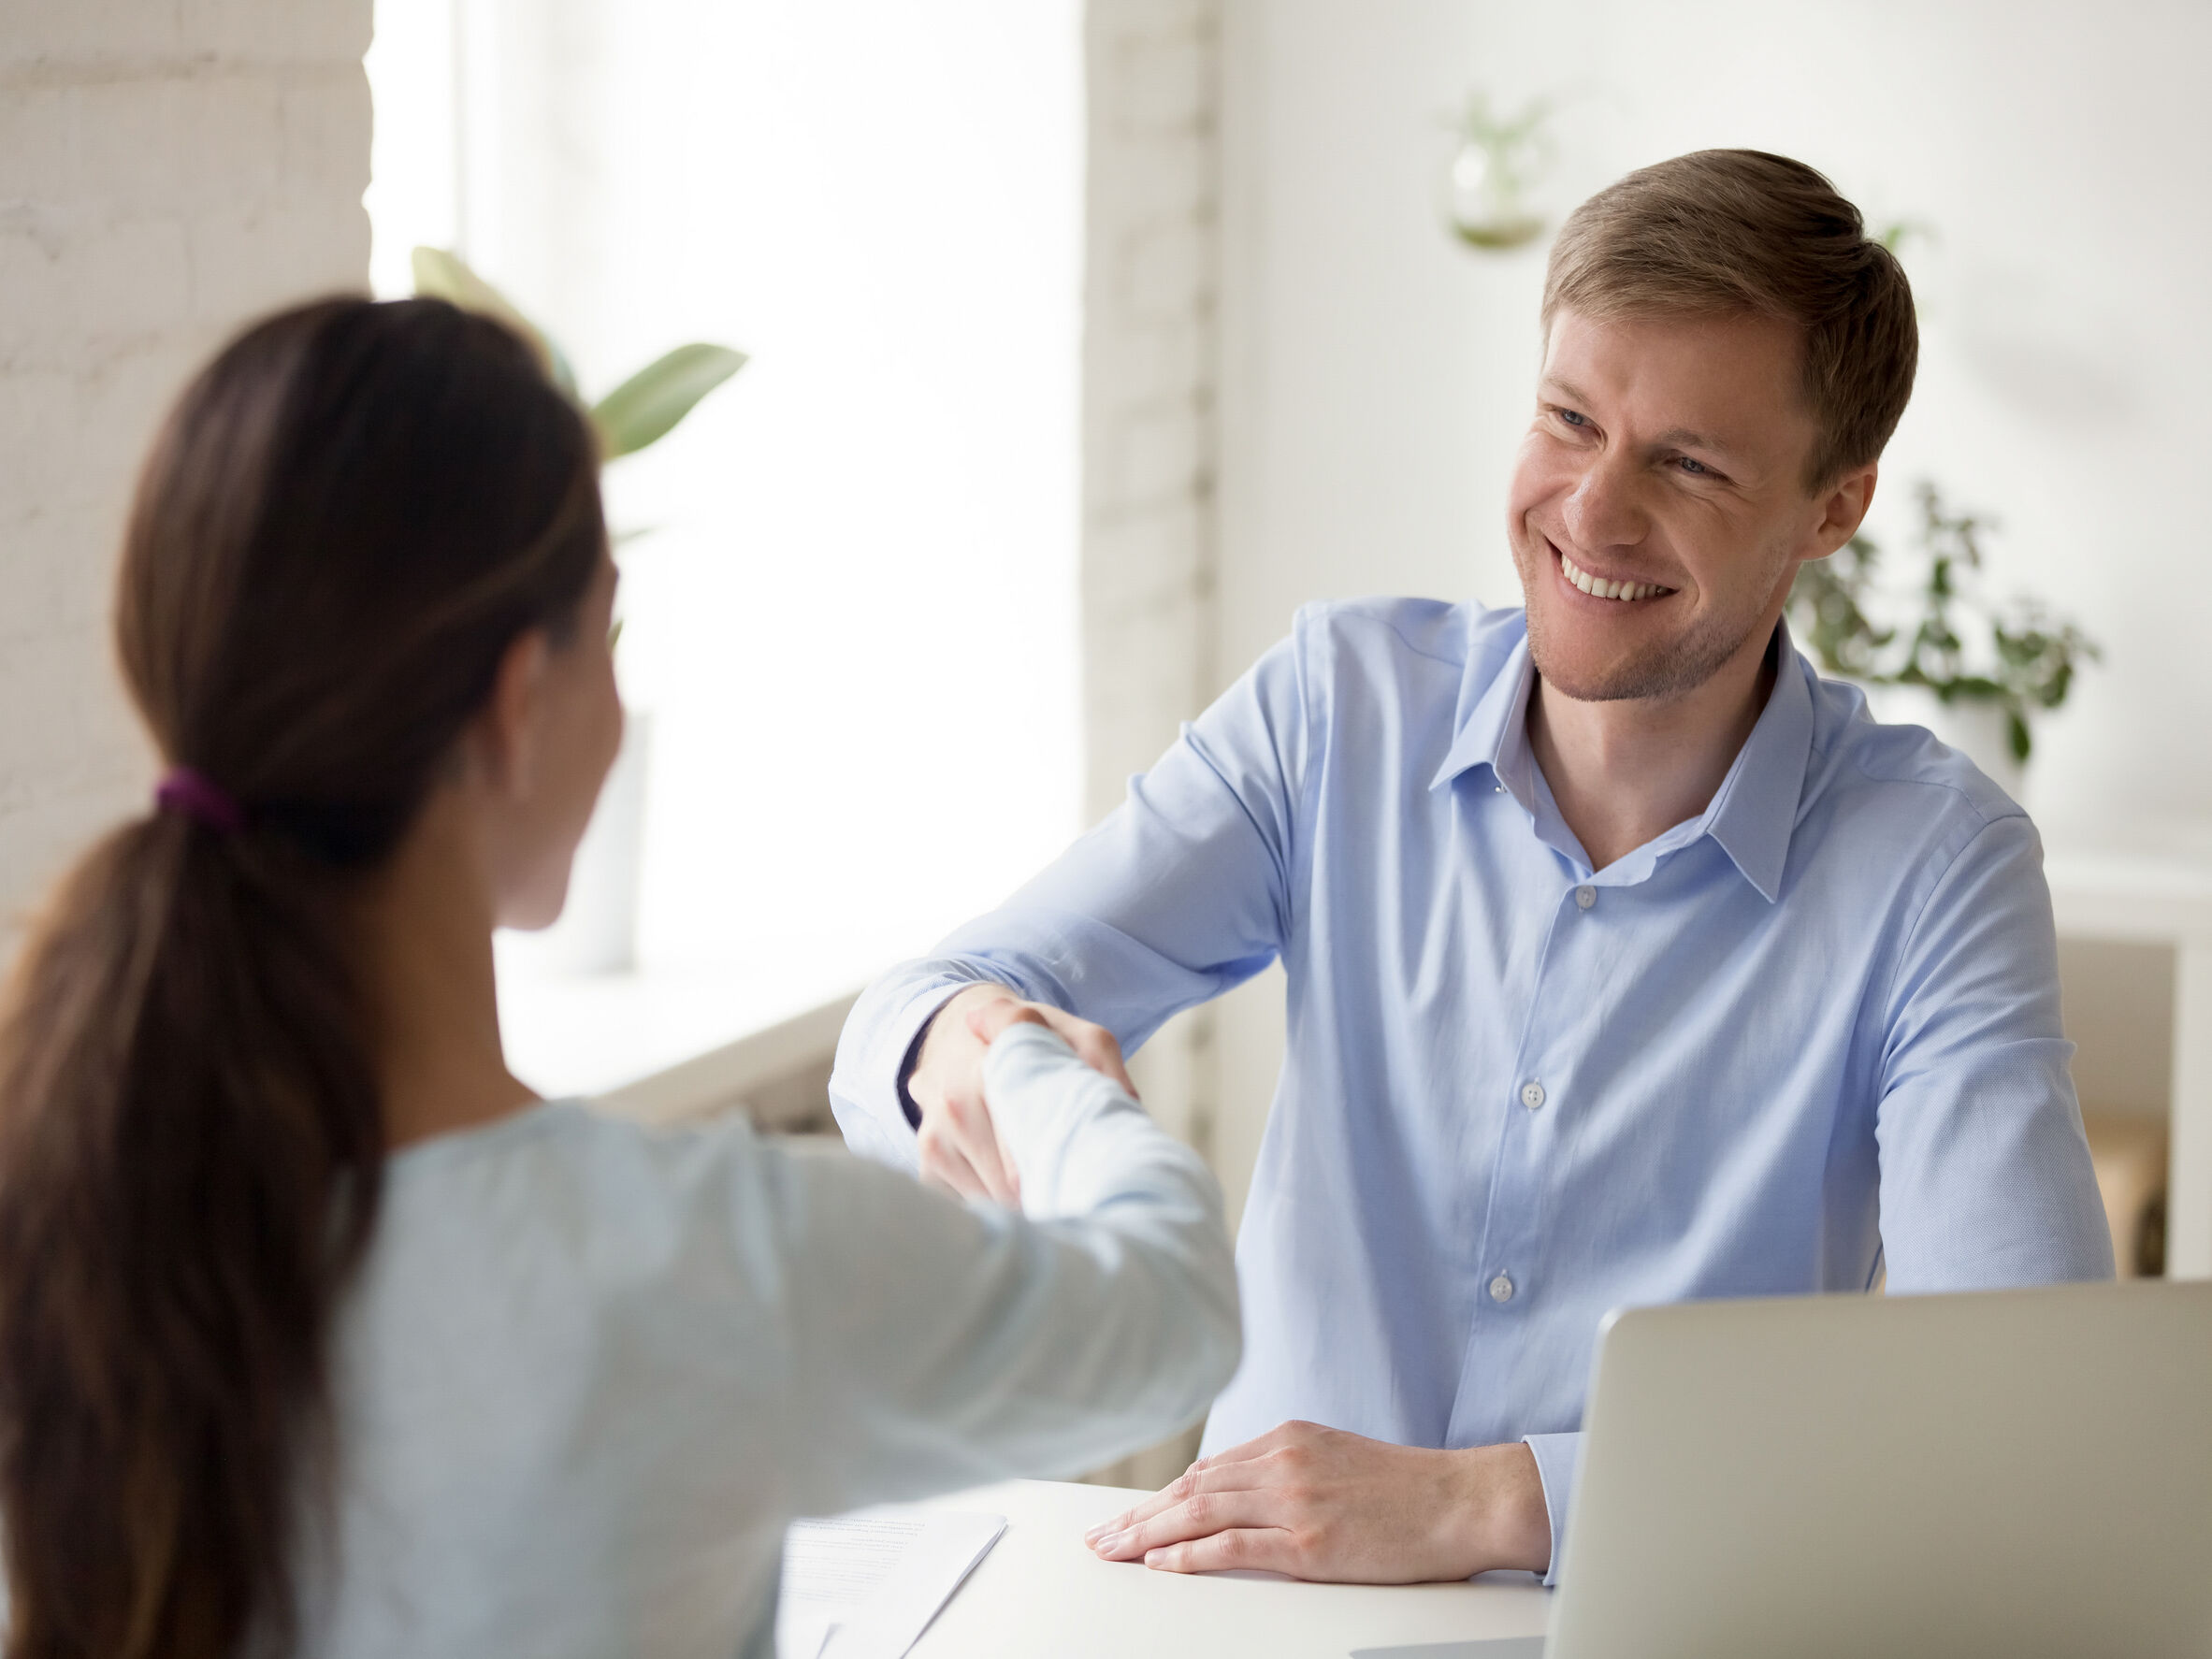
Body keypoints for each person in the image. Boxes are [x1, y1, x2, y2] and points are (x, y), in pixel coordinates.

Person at [829, 150, 2114, 1585]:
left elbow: (2021, 1421)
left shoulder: (1935, 866)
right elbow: (921, 1007)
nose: (1592, 511)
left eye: (1686, 463)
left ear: (1832, 508)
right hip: (1261, 1620)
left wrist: (1495, 1501)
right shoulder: (1336, 707)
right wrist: (966, 1044)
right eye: (1568, 418)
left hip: (1671, 1613)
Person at [0, 297, 1238, 1658]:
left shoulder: (60, 1193)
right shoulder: (688, 1260)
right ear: (515, 702)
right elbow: (1170, 1307)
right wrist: (1016, 1053)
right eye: (611, 629)